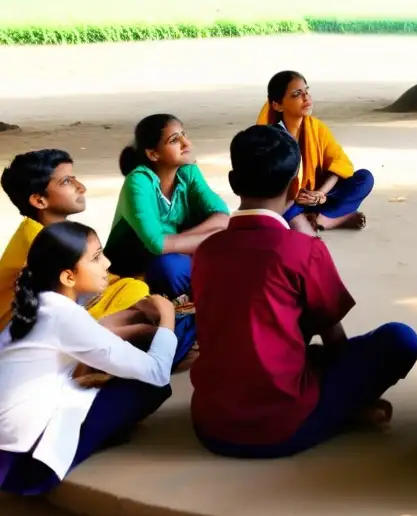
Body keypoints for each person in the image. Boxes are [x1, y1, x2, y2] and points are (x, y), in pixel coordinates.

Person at [189, 125, 417, 459]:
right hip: (282, 427)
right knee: (399, 340)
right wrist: (356, 392)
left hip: (211, 425)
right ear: (296, 187)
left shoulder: (207, 251)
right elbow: (333, 335)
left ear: (233, 182)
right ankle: (342, 414)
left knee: (274, 347)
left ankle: (338, 409)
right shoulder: (303, 250)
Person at [0, 222, 176, 495]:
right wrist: (168, 317)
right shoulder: (64, 315)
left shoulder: (38, 304)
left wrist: (136, 317)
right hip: (27, 468)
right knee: (148, 386)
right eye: (96, 258)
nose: (106, 263)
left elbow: (88, 332)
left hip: (11, 456)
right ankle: (106, 433)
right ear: (68, 277)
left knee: (95, 377)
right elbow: (156, 372)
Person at [0, 149, 149, 330]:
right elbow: (62, 299)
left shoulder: (49, 231)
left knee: (134, 289)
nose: (81, 187)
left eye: (74, 178)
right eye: (67, 182)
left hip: (63, 304)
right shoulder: (42, 240)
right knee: (135, 295)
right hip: (23, 324)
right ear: (39, 201)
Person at [105, 114, 229, 301]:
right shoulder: (138, 181)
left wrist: (176, 242)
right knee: (171, 267)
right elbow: (156, 245)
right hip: (135, 271)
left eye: (184, 135)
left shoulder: (188, 171)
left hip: (178, 255)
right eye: (174, 140)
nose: (186, 144)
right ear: (153, 154)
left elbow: (223, 217)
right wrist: (212, 237)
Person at [256, 71, 374, 235]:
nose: (306, 98)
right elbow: (265, 186)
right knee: (276, 213)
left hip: (315, 196)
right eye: (297, 94)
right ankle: (332, 219)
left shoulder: (317, 128)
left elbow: (338, 165)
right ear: (277, 105)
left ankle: (318, 220)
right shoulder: (269, 137)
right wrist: (295, 198)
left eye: (306, 91)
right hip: (287, 201)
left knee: (364, 179)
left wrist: (320, 194)